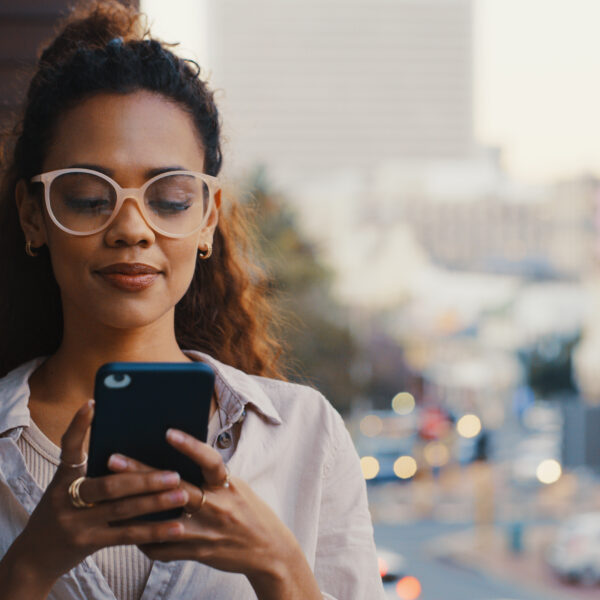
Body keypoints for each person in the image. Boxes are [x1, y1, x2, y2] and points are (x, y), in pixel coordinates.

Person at [0, 2, 384, 599]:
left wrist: (280, 565)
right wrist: (26, 569)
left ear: (207, 219)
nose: (132, 228)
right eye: (88, 196)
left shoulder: (306, 437)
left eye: (170, 199)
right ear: (34, 215)